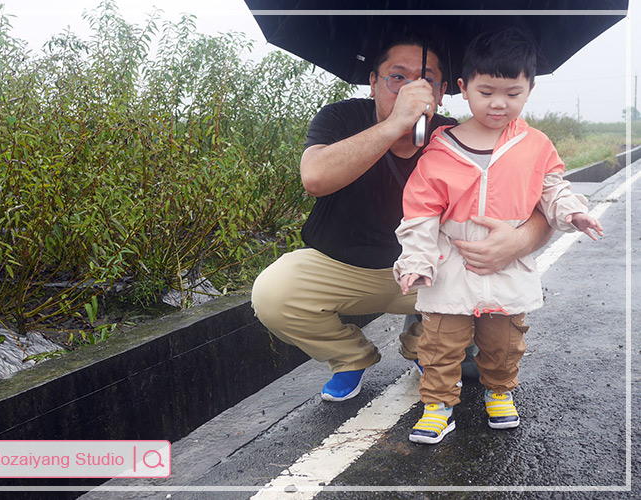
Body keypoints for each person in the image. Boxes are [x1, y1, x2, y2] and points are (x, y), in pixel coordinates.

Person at [251, 34, 554, 403]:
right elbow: (314, 178)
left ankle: (423, 348)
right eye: (398, 77)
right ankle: (350, 357)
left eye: (425, 79)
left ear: (443, 90)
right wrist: (396, 123)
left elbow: (538, 206)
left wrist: (519, 243)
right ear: (374, 82)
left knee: (489, 312)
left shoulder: (458, 136)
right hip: (343, 268)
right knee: (273, 293)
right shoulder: (340, 117)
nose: (412, 88)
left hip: (430, 271)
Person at [394, 28, 604, 445]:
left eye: (512, 93)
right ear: (463, 88)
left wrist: (573, 211)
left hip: (509, 264)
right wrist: (416, 260)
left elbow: (552, 188)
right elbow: (419, 213)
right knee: (439, 342)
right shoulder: (441, 149)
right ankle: (437, 404)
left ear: (529, 90)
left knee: (506, 339)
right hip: (451, 262)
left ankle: (500, 391)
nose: (498, 103)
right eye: (486, 91)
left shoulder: (535, 144)